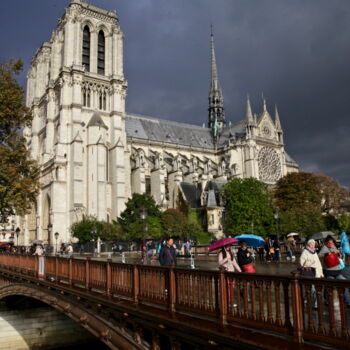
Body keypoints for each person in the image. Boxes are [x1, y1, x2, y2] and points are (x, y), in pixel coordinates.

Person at [318, 235, 350, 306]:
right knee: (329, 286)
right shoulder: (324, 248)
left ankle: (347, 301)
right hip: (329, 271)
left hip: (337, 270)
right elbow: (319, 255)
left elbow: (337, 256)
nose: (332, 244)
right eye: (330, 243)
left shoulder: (334, 247)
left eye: (332, 243)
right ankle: (327, 300)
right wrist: (327, 254)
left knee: (343, 285)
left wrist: (338, 252)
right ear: (326, 243)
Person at [300, 239, 323, 308]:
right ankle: (315, 305)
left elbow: (318, 263)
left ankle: (305, 299)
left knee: (313, 289)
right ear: (308, 244)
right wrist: (310, 263)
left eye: (313, 244)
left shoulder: (314, 252)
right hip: (310, 272)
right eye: (311, 244)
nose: (313, 245)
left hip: (317, 273)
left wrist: (321, 273)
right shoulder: (305, 252)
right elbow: (301, 263)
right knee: (313, 289)